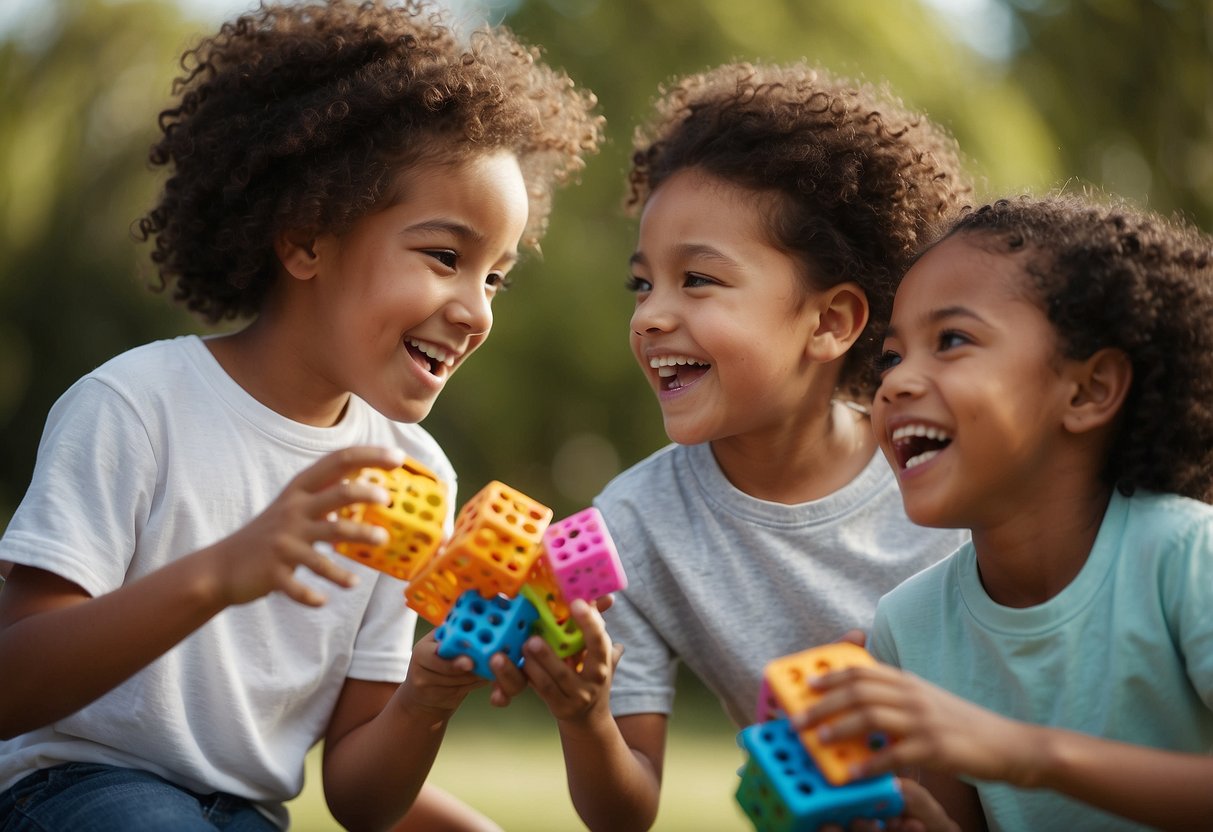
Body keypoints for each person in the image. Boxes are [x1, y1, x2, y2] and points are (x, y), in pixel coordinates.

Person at [0, 2, 602, 830]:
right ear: (307, 240)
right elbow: (13, 684)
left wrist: (428, 691)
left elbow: (357, 794)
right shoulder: (135, 407)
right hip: (74, 788)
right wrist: (222, 571)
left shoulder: (412, 474)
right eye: (445, 258)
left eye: (495, 277)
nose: (475, 310)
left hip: (247, 812)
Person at [492, 61, 973, 830]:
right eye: (642, 284)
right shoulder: (634, 528)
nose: (650, 316)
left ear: (829, 323)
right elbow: (625, 809)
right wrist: (585, 717)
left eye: (699, 280)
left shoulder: (944, 481)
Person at [801, 193, 1213, 831]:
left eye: (952, 340)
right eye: (892, 356)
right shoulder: (910, 626)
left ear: (1088, 389)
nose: (896, 383)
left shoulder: (1187, 558)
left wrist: (1018, 751)